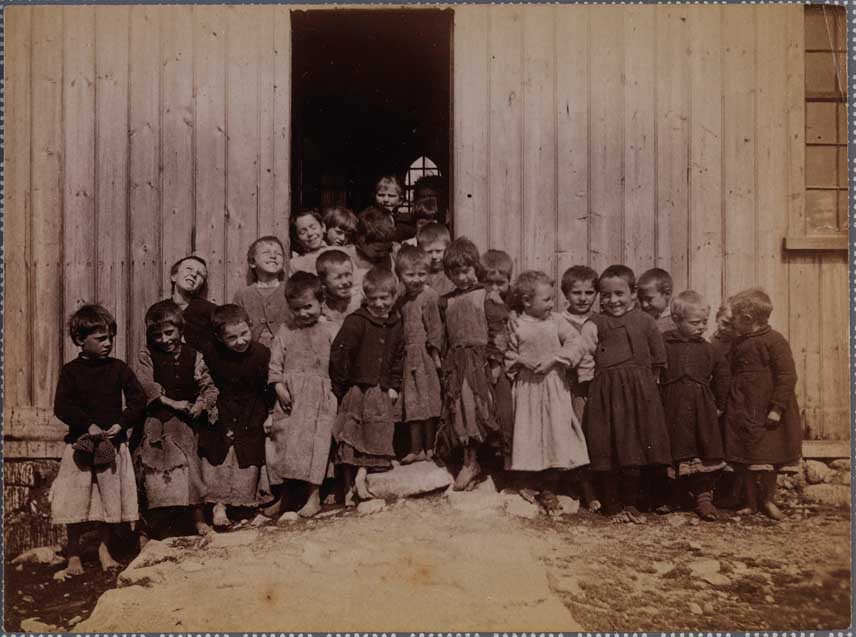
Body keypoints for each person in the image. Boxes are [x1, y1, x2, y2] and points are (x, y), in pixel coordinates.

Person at [50, 304, 146, 579]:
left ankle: (105, 550)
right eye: (101, 339)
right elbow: (62, 406)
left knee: (108, 500)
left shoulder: (118, 369)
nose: (108, 343)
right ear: (81, 340)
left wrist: (122, 423)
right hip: (79, 446)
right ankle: (74, 554)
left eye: (111, 337)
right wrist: (87, 424)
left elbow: (138, 399)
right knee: (76, 500)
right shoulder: (71, 372)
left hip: (111, 447)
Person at [584, 265, 671, 524]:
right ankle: (613, 504)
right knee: (608, 446)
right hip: (607, 393)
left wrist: (649, 389)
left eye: (619, 294)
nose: (613, 301)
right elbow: (586, 347)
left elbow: (658, 358)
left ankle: (632, 503)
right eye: (606, 295)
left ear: (633, 293)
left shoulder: (645, 321)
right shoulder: (596, 321)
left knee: (634, 446)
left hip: (639, 393)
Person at [505, 271, 593, 515]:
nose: (551, 304)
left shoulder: (557, 322)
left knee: (555, 433)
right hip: (527, 391)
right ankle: (526, 482)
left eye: (552, 299)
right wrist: (523, 360)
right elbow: (508, 354)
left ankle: (549, 487)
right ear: (526, 301)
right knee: (528, 434)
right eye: (546, 300)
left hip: (554, 387)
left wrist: (555, 358)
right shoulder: (517, 325)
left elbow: (577, 343)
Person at [135, 301, 218, 538]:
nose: (164, 339)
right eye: (157, 334)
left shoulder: (195, 356)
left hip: (185, 424)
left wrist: (201, 404)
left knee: (190, 467)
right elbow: (146, 383)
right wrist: (172, 403)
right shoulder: (146, 354)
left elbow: (209, 388)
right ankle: (149, 525)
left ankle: (198, 519)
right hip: (157, 421)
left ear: (180, 330)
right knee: (151, 470)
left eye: (169, 332)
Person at [264, 273, 339, 519]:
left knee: (315, 446)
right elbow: (275, 364)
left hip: (319, 396)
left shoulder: (330, 329)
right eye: (297, 309)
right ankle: (285, 497)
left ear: (321, 302)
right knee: (284, 444)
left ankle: (313, 496)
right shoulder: (285, 331)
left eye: (308, 307)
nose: (303, 313)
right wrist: (278, 387)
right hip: (290, 397)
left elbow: (338, 365)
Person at [724, 288, 801, 520]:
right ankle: (751, 502)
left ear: (747, 319)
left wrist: (777, 408)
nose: (731, 322)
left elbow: (788, 376)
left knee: (768, 457)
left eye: (734, 318)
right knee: (746, 457)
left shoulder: (775, 341)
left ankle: (767, 500)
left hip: (767, 409)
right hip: (743, 408)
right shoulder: (738, 342)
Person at [330, 267, 405, 505]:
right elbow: (340, 357)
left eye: (385, 298)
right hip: (357, 389)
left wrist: (393, 385)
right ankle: (348, 485)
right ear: (366, 298)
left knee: (375, 433)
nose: (380, 304)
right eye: (374, 299)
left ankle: (362, 478)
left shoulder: (395, 324)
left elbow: (398, 357)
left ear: (394, 297)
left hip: (380, 390)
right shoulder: (356, 322)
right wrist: (341, 387)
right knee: (352, 434)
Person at [437, 237, 505, 491]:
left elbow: (499, 329)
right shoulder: (446, 301)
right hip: (457, 363)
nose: (462, 277)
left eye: (466, 271)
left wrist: (496, 360)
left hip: (480, 362)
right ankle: (469, 461)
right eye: (455, 273)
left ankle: (481, 463)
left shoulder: (487, 295)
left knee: (480, 410)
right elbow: (443, 336)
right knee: (460, 409)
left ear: (476, 268)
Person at [198, 305, 273, 528]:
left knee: (248, 451)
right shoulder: (210, 353)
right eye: (232, 338)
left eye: (244, 334)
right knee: (218, 452)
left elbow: (267, 388)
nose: (240, 341)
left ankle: (245, 504)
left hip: (252, 408)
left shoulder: (261, 353)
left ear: (250, 327)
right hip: (222, 407)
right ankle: (218, 506)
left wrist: (269, 413)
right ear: (220, 338)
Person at [660, 290, 731, 521]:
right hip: (671, 407)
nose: (702, 327)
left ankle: (704, 499)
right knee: (674, 451)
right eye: (695, 323)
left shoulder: (710, 349)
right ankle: (674, 496)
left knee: (703, 451)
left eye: (704, 322)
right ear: (676, 319)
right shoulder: (664, 344)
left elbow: (722, 376)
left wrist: (719, 404)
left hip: (702, 409)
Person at [393, 246, 443, 464]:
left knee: (428, 403)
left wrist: (435, 355)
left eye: (421, 274)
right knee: (412, 405)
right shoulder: (401, 301)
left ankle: (430, 447)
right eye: (410, 275)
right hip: (408, 357)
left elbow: (435, 328)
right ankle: (416, 448)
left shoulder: (430, 297)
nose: (416, 279)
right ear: (400, 275)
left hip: (425, 356)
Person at [558, 265, 600, 511]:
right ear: (566, 294)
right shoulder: (558, 320)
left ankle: (592, 486)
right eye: (577, 293)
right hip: (570, 386)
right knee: (573, 432)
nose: (583, 298)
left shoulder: (599, 320)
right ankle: (573, 485)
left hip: (596, 385)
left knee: (593, 434)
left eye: (589, 292)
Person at [480, 249, 515, 468]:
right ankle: (491, 457)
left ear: (509, 281)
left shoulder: (514, 299)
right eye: (489, 283)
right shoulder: (480, 299)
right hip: (487, 359)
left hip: (508, 361)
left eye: (500, 283)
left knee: (506, 409)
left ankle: (509, 457)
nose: (494, 288)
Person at [149, 255, 217, 355]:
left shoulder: (210, 310)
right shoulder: (157, 310)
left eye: (200, 274)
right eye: (189, 269)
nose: (193, 274)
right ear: (174, 276)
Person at [232, 236, 289, 349]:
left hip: (286, 350)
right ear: (253, 262)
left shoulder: (291, 290)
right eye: (266, 252)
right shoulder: (243, 294)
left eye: (278, 254)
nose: (273, 256)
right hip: (253, 353)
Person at [352, 207, 397, 296]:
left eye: (387, 249)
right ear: (360, 240)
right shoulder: (350, 258)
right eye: (378, 251)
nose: (383, 254)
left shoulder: (390, 258)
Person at [316, 249, 362, 325]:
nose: (345, 282)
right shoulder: (320, 302)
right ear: (322, 280)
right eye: (338, 277)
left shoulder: (360, 297)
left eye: (348, 275)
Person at [417, 222, 454, 297]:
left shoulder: (452, 274)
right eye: (429, 252)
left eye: (439, 251)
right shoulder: (416, 274)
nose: (434, 256)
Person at [289, 209, 331, 274]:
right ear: (297, 239)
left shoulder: (339, 253)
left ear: (323, 227)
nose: (310, 233)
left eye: (313, 227)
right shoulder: (295, 264)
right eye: (303, 232)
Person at [637, 267, 675, 333]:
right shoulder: (640, 318)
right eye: (640, 299)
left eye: (649, 299)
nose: (644, 304)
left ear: (667, 293)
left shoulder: (677, 321)